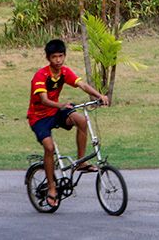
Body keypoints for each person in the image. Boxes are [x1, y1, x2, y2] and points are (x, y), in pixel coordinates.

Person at [27, 39, 108, 208]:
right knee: (49, 148)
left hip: (56, 112)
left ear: (64, 56)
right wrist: (61, 105)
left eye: (61, 56)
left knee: (81, 120)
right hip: (39, 117)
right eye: (54, 57)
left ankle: (81, 162)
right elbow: (43, 99)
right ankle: (51, 188)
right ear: (48, 58)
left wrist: (99, 95)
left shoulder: (64, 72)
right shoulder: (40, 76)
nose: (58, 60)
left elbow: (82, 85)